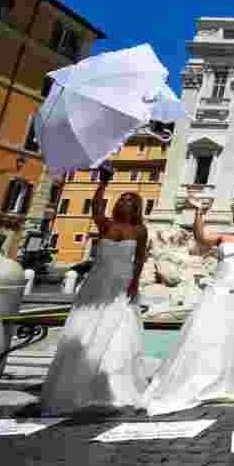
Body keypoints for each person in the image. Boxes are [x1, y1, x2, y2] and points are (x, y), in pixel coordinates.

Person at [140, 201, 234, 415]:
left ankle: (229, 379)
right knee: (209, 332)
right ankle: (203, 376)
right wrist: (199, 212)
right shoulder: (224, 237)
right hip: (219, 288)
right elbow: (200, 237)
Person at [41, 167, 149, 414]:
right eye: (123, 198)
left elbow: (140, 259)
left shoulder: (140, 230)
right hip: (98, 282)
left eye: (131, 200)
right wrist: (103, 184)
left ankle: (113, 385)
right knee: (86, 327)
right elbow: (96, 208)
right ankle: (78, 384)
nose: (126, 201)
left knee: (119, 331)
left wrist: (134, 282)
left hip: (122, 283)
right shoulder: (106, 224)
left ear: (137, 207)